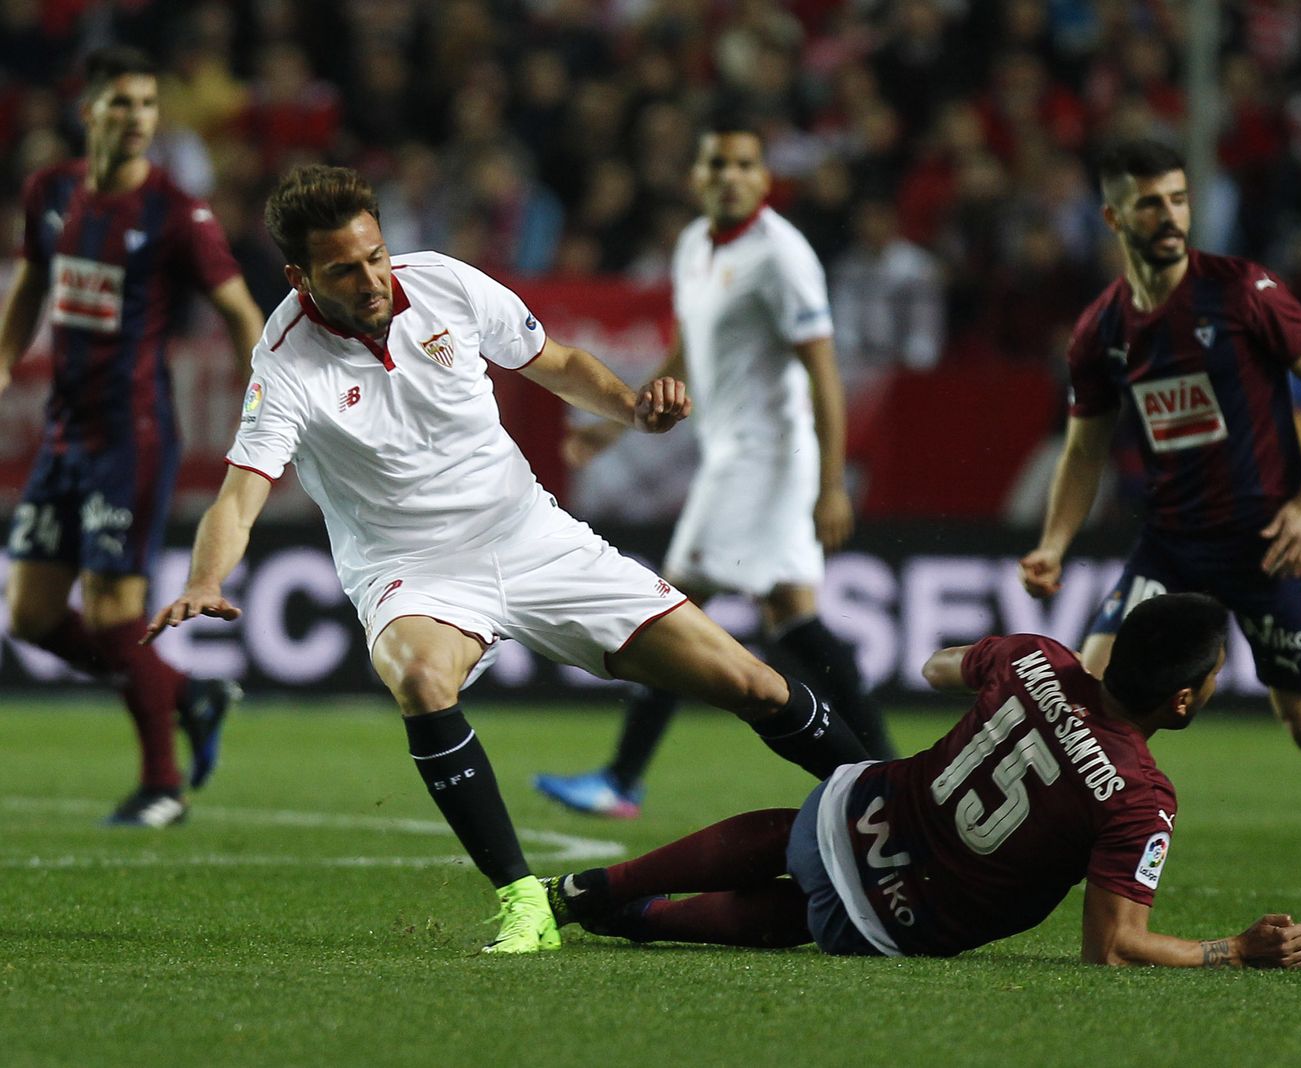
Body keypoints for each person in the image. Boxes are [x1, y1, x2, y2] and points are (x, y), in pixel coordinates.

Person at [143, 164, 869, 955]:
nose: (371, 279)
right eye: (343, 270)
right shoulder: (284, 361)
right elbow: (240, 493)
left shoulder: (448, 284)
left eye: (375, 255)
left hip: (533, 536)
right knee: (421, 678)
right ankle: (524, 902)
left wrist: (629, 407)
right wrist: (205, 580)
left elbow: (553, 362)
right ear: (299, 276)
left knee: (752, 683)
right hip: (409, 569)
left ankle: (895, 806)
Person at [1017, 139, 1301, 904]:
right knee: (1088, 688)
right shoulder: (1101, 330)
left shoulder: (1241, 292)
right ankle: (1070, 852)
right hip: (1169, 544)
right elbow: (1084, 450)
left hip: (1267, 541)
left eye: (1177, 198)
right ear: (1112, 215)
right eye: (1149, 202)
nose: (1168, 215)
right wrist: (1053, 544)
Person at [542, 593, 1301, 971]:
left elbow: (935, 665)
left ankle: (598, 886)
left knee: (797, 832)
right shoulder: (1140, 796)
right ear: (1183, 699)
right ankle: (641, 919)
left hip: (851, 813)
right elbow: (1113, 950)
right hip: (893, 920)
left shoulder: (1038, 657)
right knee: (803, 917)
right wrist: (1232, 950)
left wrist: (1002, 682)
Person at [534, 117, 894, 819]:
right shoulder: (696, 245)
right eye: (717, 164)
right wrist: (619, 425)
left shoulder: (783, 256)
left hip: (770, 458)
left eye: (743, 165)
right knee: (791, 617)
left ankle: (623, 777)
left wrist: (830, 483)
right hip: (730, 454)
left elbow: (824, 371)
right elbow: (687, 347)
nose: (729, 176)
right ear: (697, 177)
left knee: (672, 607)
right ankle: (883, 775)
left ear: (763, 178)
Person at [0, 46, 259, 828]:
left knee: (115, 612)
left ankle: (162, 785)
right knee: (32, 618)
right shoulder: (51, 192)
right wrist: (4, 362)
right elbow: (31, 285)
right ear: (90, 112)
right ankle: (185, 692)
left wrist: (263, 413)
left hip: (133, 434)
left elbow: (243, 314)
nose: (138, 117)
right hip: (65, 433)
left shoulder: (177, 213)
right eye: (122, 103)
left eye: (148, 104)